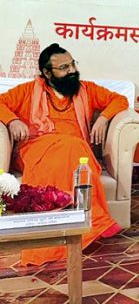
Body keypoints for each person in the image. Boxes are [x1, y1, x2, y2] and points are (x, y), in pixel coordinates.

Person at [0, 43, 127, 265]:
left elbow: (119, 100)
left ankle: (85, 225)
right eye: (64, 67)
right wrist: (13, 119)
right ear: (47, 73)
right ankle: (80, 225)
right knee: (72, 146)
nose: (72, 71)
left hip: (77, 151)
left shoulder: (87, 89)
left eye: (73, 64)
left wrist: (105, 118)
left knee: (74, 147)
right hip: (36, 149)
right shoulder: (27, 91)